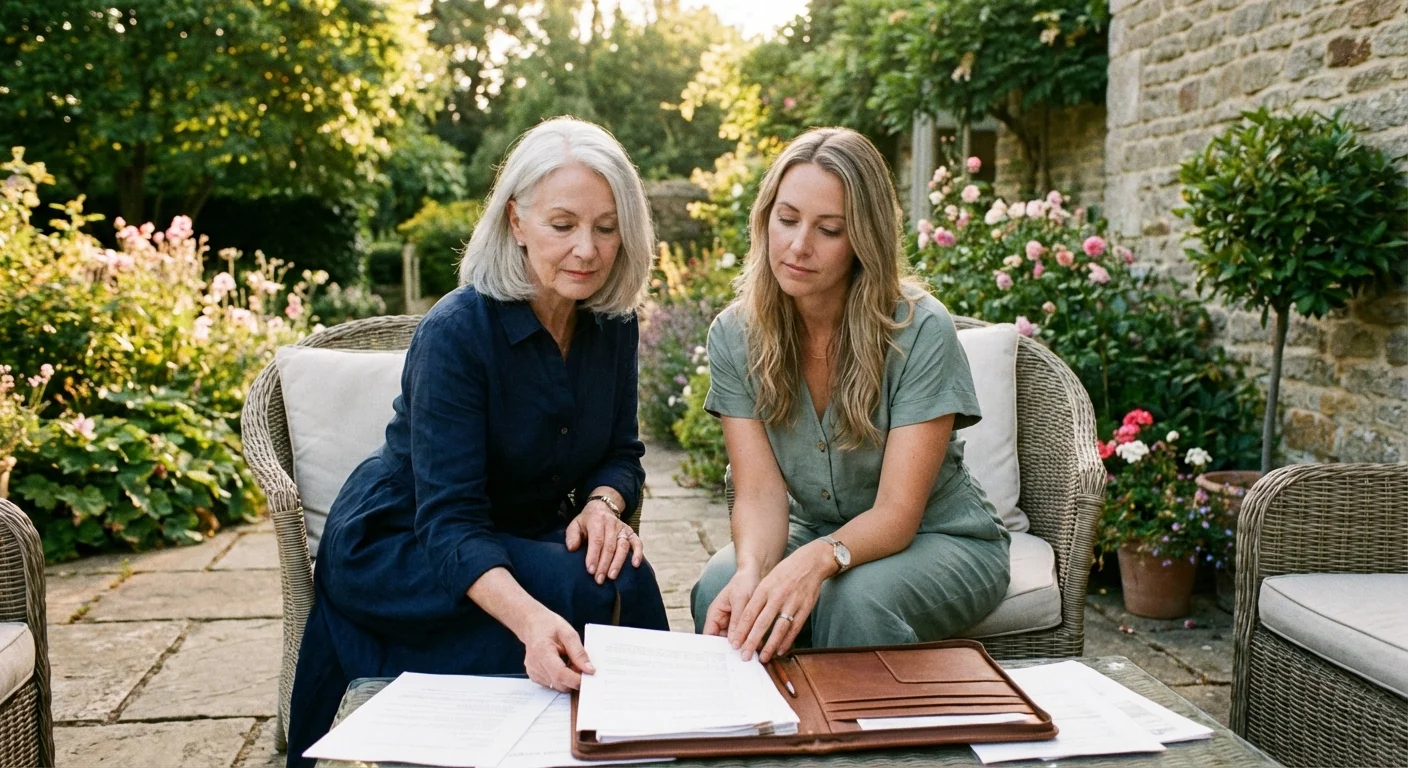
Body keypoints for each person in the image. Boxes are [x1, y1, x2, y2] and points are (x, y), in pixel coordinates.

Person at [286, 117, 669, 767]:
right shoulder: (457, 333)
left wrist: (604, 504)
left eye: (607, 227)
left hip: (511, 531)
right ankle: (634, 738)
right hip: (406, 543)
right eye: (563, 224)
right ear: (516, 221)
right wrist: (528, 621)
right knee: (579, 605)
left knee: (616, 575)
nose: (587, 249)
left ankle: (661, 736)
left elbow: (621, 452)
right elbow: (449, 520)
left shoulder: (613, 324)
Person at [691, 127, 1011, 664]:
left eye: (829, 229)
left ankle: (860, 745)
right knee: (720, 585)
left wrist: (817, 560)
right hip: (812, 529)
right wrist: (752, 571)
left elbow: (897, 513)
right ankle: (755, 738)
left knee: (853, 600)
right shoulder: (734, 335)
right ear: (764, 218)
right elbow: (760, 494)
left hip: (943, 538)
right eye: (786, 219)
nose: (798, 246)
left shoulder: (919, 330)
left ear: (863, 239)